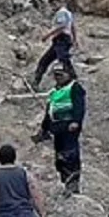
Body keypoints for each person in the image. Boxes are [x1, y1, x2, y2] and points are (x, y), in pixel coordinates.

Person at [32, 65, 87, 194]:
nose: (57, 78)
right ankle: (65, 181)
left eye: (60, 74)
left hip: (69, 127)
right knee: (60, 157)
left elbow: (80, 106)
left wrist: (76, 121)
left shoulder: (74, 87)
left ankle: (73, 185)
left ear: (68, 74)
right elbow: (49, 110)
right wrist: (44, 129)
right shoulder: (55, 91)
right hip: (57, 128)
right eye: (55, 75)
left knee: (70, 155)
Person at [31, 6, 80, 89]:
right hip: (63, 40)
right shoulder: (68, 13)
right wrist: (75, 39)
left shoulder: (61, 12)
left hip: (61, 39)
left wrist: (47, 35)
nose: (52, 7)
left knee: (62, 60)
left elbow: (61, 26)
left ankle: (72, 79)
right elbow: (72, 26)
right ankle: (36, 82)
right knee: (46, 60)